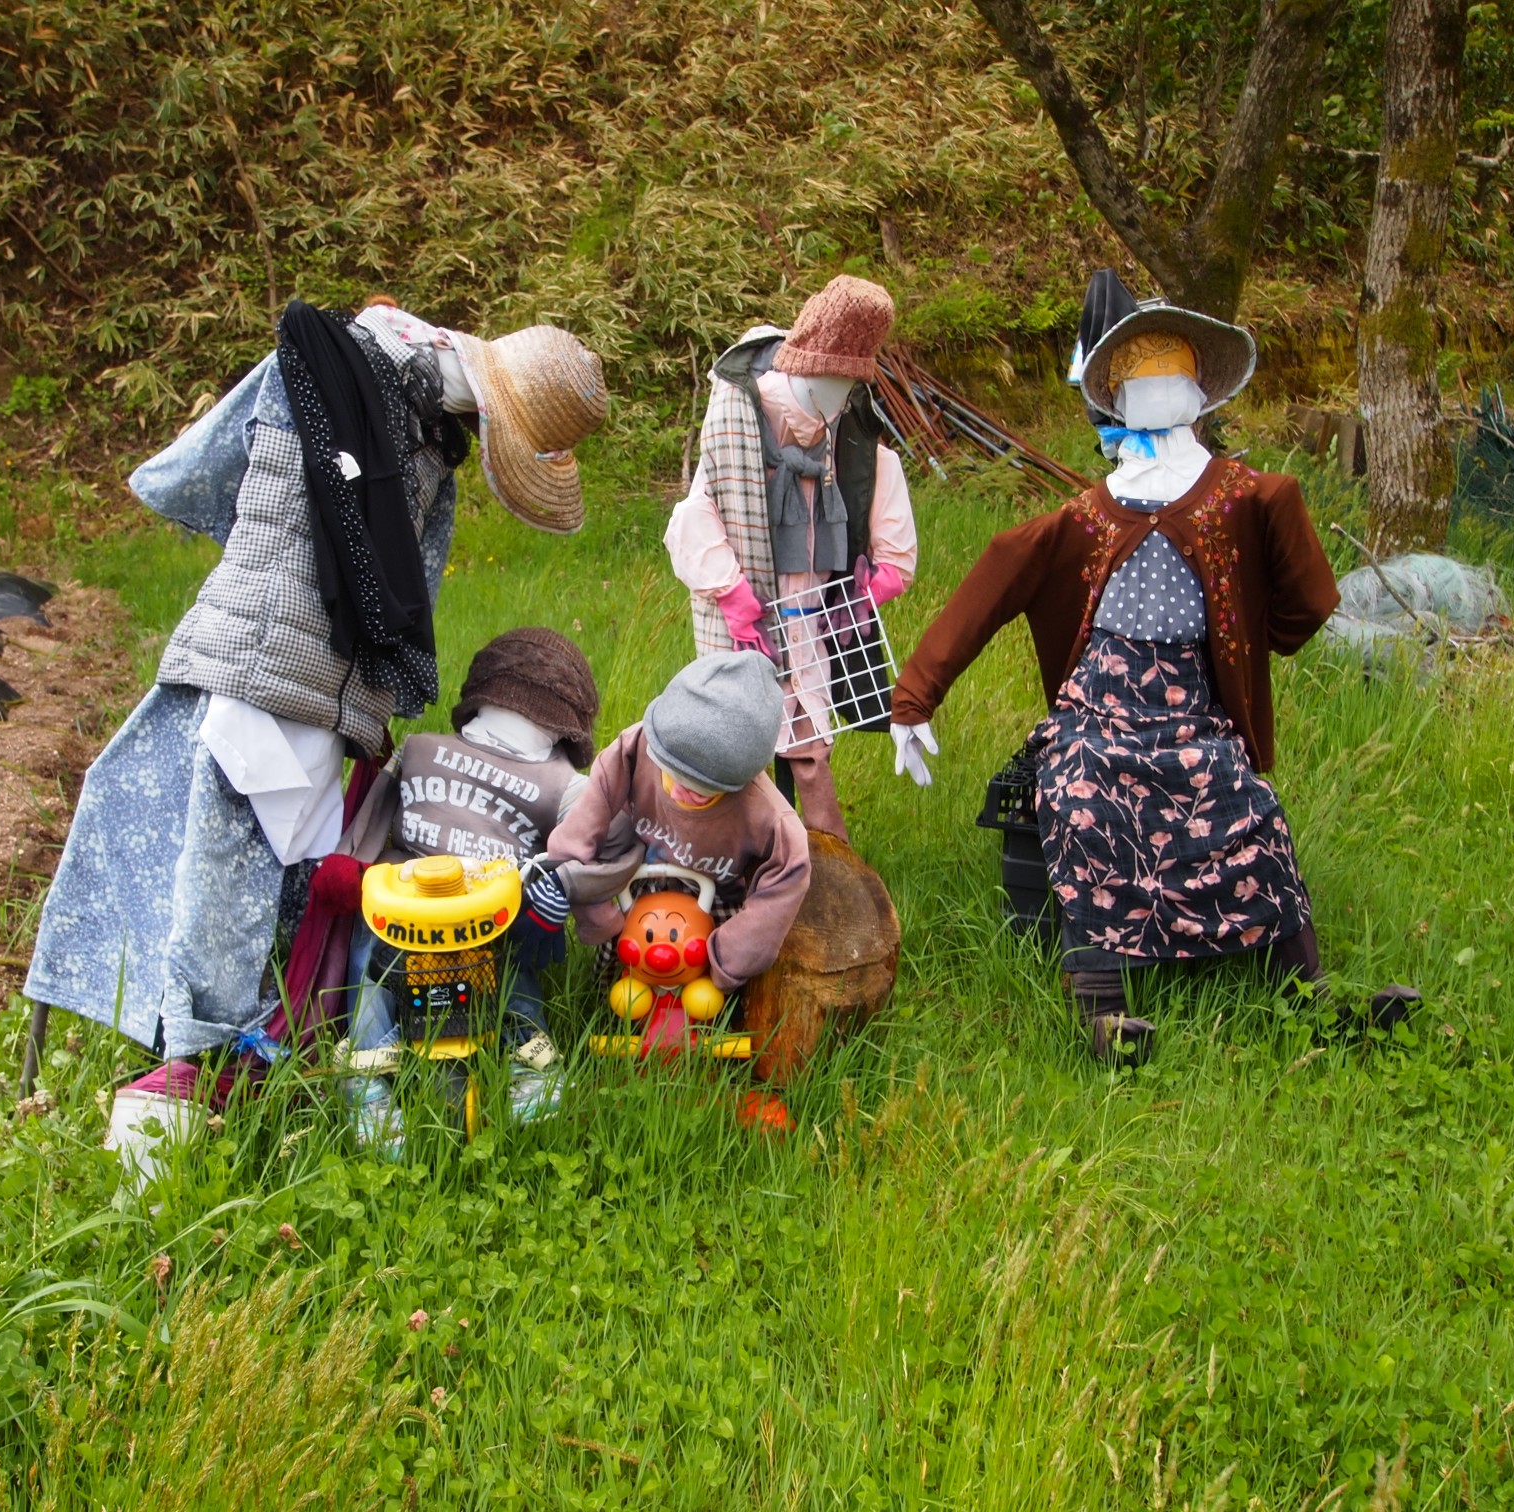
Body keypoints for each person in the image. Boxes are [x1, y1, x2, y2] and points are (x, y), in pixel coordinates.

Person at [22, 297, 606, 1173]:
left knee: (280, 873)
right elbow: (219, 481)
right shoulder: (326, 368)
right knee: (221, 868)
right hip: (256, 667)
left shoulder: (423, 431)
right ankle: (193, 1069)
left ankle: (265, 1040)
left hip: (317, 686)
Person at [888, 291, 1416, 1065]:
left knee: (1248, 816)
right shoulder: (1088, 515)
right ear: (1117, 400)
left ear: (1203, 392)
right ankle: (1104, 1011)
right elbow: (996, 578)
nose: (1157, 387)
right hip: (1096, 709)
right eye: (1136, 377)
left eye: (1172, 373)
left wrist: (1248, 633)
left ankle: (1310, 1001)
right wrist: (915, 698)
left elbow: (1308, 606)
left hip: (1193, 712)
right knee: (1082, 802)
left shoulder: (1246, 497)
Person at [664, 276, 919, 841]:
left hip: (809, 622)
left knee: (806, 751)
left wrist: (862, 595)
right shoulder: (737, 426)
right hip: (745, 621)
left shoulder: (853, 441)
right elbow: (692, 518)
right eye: (827, 381)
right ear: (798, 370)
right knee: (737, 745)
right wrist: (732, 593)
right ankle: (740, 864)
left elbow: (896, 553)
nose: (834, 397)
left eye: (846, 384)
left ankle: (826, 876)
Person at [339, 628, 599, 1149]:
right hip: (405, 894)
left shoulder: (565, 785)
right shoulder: (419, 749)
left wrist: (563, 888)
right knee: (369, 954)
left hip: (491, 906)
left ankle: (527, 1058)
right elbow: (378, 808)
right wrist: (351, 863)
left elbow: (589, 849)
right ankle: (367, 1074)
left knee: (512, 962)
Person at [533, 650, 811, 1007]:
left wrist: (725, 960)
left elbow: (788, 880)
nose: (678, 792)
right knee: (614, 991)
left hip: (714, 905)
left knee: (717, 1007)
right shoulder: (636, 748)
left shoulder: (767, 814)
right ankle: (603, 1004)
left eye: (699, 790)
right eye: (672, 775)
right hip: (636, 887)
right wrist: (596, 912)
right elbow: (579, 832)